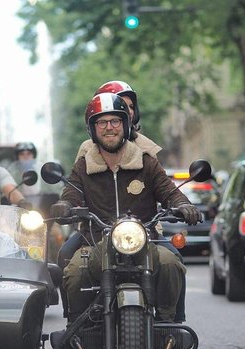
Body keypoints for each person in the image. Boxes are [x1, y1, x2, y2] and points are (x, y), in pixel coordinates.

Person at [51, 92, 201, 326]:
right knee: (73, 272)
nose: (109, 128)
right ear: (92, 129)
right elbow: (71, 193)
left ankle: (168, 324)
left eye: (115, 121)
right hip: (96, 242)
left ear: (126, 124)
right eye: (102, 122)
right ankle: (78, 327)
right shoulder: (84, 165)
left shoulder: (146, 161)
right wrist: (64, 206)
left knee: (171, 263)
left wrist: (183, 204)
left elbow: (168, 191)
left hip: (146, 242)